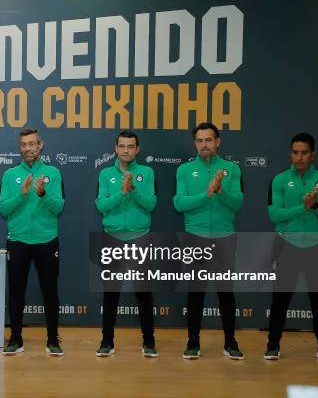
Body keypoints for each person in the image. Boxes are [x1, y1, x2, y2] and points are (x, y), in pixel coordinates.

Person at [173, 122, 244, 360]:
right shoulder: (184, 170)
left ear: (218, 141)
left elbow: (238, 203)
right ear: (195, 143)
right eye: (200, 141)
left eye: (209, 140)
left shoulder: (231, 169)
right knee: (196, 293)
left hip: (225, 238)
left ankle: (230, 342)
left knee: (226, 293)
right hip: (195, 238)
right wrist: (207, 194)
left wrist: (221, 191)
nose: (205, 145)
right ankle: (193, 342)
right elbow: (179, 204)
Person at [265, 133, 318, 363]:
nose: (298, 157)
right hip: (287, 246)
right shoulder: (279, 180)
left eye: (304, 152)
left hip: (317, 247)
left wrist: (315, 205)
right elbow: (274, 214)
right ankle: (273, 346)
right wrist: (303, 208)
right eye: (295, 152)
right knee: (280, 300)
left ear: (312, 154)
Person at [0, 128, 65, 356]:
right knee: (16, 291)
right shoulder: (9, 175)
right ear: (20, 147)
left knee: (50, 291)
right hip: (18, 241)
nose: (28, 148)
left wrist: (44, 194)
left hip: (46, 240)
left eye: (32, 144)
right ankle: (15, 339)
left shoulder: (53, 173)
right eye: (24, 145)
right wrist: (22, 194)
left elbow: (59, 207)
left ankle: (53, 340)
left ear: (41, 145)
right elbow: (3, 208)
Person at [94, 131, 158, 358]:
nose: (126, 150)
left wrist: (133, 189)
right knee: (110, 295)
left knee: (144, 294)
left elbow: (150, 204)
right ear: (116, 148)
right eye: (122, 146)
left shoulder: (147, 173)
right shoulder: (105, 174)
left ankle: (149, 341)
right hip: (112, 238)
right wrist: (122, 194)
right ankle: (107, 341)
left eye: (131, 147)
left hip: (140, 238)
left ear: (137, 149)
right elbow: (101, 206)